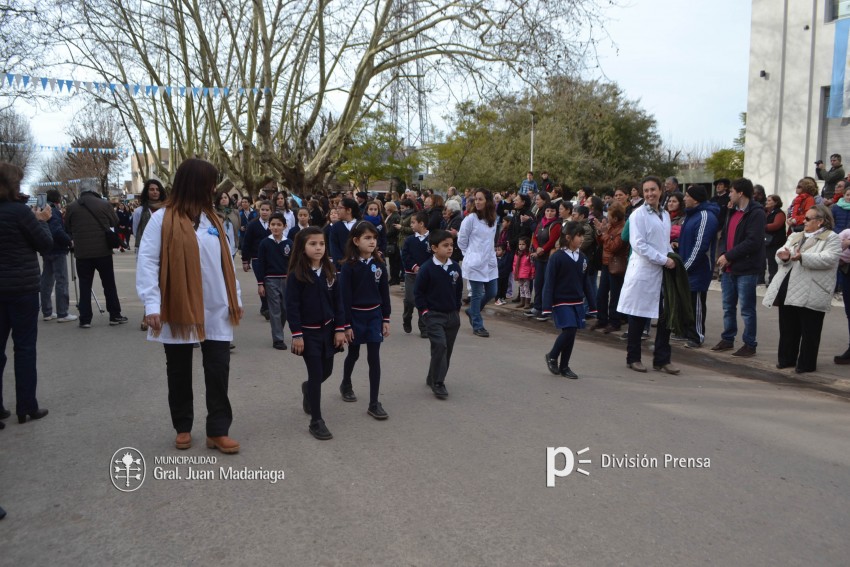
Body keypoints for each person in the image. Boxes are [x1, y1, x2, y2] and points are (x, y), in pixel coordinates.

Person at [136, 158, 244, 454]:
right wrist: (152, 304)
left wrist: (235, 296)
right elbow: (148, 262)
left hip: (216, 307)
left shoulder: (213, 219)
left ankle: (217, 430)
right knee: (179, 371)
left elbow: (227, 264)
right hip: (178, 307)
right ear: (195, 184)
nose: (213, 188)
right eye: (209, 182)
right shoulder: (162, 219)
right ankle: (183, 427)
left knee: (218, 370)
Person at [0, 162, 53, 426]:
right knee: (24, 347)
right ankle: (26, 406)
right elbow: (45, 244)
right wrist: (42, 221)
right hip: (22, 289)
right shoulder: (20, 213)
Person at [285, 227, 347, 440]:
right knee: (315, 373)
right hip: (308, 334)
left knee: (326, 371)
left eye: (321, 244)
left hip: (329, 332)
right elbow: (291, 307)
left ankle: (308, 388)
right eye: (313, 244)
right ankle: (316, 421)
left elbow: (339, 303)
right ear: (302, 248)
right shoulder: (297, 275)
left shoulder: (330, 272)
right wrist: (297, 334)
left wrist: (340, 329)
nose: (318, 248)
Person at [763, 205, 841, 373]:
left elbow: (829, 259)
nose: (803, 221)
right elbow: (782, 251)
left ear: (820, 222)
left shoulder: (831, 238)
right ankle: (786, 359)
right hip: (789, 285)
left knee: (810, 329)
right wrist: (783, 257)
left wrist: (802, 257)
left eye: (807, 219)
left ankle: (806, 364)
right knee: (788, 326)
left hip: (813, 289)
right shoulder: (797, 235)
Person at [617, 176, 679, 375]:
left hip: (661, 272)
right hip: (643, 271)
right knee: (637, 316)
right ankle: (633, 358)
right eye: (646, 191)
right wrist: (663, 259)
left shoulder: (665, 215)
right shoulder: (638, 215)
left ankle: (662, 359)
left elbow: (664, 243)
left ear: (661, 191)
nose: (650, 194)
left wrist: (673, 257)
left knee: (664, 316)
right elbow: (639, 245)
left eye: (653, 189)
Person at [338, 221, 391, 418]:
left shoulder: (379, 264)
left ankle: (374, 403)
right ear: (356, 240)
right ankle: (346, 383)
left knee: (374, 358)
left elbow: (384, 293)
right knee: (353, 354)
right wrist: (346, 325)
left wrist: (386, 318)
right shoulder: (349, 267)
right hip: (355, 316)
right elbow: (344, 298)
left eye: (374, 238)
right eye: (367, 238)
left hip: (374, 316)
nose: (372, 242)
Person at [712, 178, 766, 358]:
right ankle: (728, 338)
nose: (729, 194)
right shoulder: (731, 211)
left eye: (732, 191)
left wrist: (728, 256)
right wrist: (722, 253)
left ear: (741, 193)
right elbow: (724, 235)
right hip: (729, 268)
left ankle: (750, 343)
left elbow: (753, 242)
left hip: (746, 268)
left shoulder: (756, 213)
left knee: (747, 308)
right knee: (728, 306)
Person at [64, 179, 128, 328]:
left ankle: (85, 319)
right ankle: (114, 315)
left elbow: (67, 226)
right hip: (103, 252)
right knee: (109, 284)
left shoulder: (72, 206)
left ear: (81, 190)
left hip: (82, 253)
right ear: (95, 189)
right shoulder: (104, 204)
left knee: (85, 286)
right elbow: (115, 221)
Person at [541, 221, 595, 379]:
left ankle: (564, 366)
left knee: (572, 333)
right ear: (569, 237)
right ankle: (552, 355)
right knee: (570, 329)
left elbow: (586, 283)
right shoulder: (557, 257)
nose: (582, 239)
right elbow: (549, 282)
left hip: (577, 301)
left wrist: (593, 305)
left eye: (583, 236)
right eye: (579, 236)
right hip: (561, 300)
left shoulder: (583, 257)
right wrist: (546, 306)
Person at [414, 230, 463, 399]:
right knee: (440, 345)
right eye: (445, 245)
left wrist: (457, 309)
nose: (450, 248)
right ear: (434, 248)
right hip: (433, 315)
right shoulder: (427, 268)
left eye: (451, 245)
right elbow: (418, 293)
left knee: (445, 350)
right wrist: (424, 312)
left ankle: (433, 376)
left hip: (452, 316)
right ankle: (438, 383)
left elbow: (458, 290)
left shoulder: (455, 267)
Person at [678, 185, 720, 348]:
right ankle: (686, 332)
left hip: (698, 269)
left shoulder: (705, 216)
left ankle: (696, 335)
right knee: (687, 302)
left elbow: (700, 246)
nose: (684, 198)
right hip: (688, 267)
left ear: (695, 199)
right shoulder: (692, 215)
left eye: (687, 196)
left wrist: (685, 267)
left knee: (695, 304)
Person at [458, 189, 498, 338]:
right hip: (475, 262)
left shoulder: (493, 219)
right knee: (476, 294)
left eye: (480, 199)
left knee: (492, 291)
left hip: (489, 261)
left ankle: (473, 311)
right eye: (476, 199)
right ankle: (477, 325)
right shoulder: (470, 219)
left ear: (488, 201)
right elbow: (462, 240)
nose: (477, 202)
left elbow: (491, 240)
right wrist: (470, 254)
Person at [40, 189, 76, 323]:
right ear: (57, 199)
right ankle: (62, 313)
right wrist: (69, 240)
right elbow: (56, 230)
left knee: (47, 281)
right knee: (61, 280)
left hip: (46, 249)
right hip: (57, 249)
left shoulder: (42, 209)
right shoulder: (53, 210)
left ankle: (47, 311)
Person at [257, 212, 292, 350]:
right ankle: (278, 339)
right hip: (271, 279)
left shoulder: (289, 243)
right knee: (275, 309)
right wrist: (261, 283)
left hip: (286, 279)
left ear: (284, 226)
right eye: (273, 225)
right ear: (269, 226)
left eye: (279, 225)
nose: (275, 227)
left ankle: (279, 330)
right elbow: (261, 264)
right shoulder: (265, 243)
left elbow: (293, 264)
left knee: (285, 309)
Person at [592, 201, 627, 333]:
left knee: (615, 295)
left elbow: (613, 247)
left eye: (610, 216)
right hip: (606, 263)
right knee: (601, 294)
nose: (607, 218)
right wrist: (600, 232)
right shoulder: (611, 227)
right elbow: (602, 243)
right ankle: (601, 319)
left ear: (616, 218)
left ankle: (615, 321)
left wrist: (605, 233)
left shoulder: (622, 229)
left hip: (616, 265)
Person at [527, 202, 561, 321]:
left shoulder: (556, 224)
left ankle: (546, 310)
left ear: (556, 212)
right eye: (547, 211)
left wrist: (542, 249)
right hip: (539, 257)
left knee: (548, 284)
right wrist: (537, 248)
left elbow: (552, 240)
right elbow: (535, 237)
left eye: (552, 211)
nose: (549, 213)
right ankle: (537, 307)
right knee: (538, 283)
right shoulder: (541, 222)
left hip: (549, 258)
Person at [401, 211, 431, 336]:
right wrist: (414, 267)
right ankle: (407, 318)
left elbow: (434, 256)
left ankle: (423, 327)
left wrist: (426, 268)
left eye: (413, 222)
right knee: (410, 299)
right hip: (411, 275)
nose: (411, 225)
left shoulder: (432, 239)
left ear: (422, 224)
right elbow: (406, 256)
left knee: (423, 300)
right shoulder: (409, 240)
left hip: (427, 276)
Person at [241, 200, 272, 318]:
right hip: (257, 258)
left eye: (267, 210)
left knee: (270, 282)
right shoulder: (253, 225)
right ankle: (265, 306)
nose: (264, 212)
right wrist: (245, 260)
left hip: (271, 258)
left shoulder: (274, 224)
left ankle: (270, 305)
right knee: (262, 281)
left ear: (271, 211)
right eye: (262, 210)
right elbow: (247, 243)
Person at [328, 198, 359, 267]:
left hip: (361, 265)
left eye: (339, 208)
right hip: (342, 266)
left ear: (349, 210)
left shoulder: (361, 225)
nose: (337, 210)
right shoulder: (335, 227)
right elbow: (334, 248)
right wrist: (341, 264)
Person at [764, 194, 788, 284]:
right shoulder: (766, 212)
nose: (767, 202)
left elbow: (776, 225)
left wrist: (762, 226)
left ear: (775, 202)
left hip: (776, 241)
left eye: (769, 200)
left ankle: (773, 281)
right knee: (769, 262)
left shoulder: (779, 213)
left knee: (773, 263)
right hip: (768, 241)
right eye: (767, 200)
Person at [214, 189, 240, 259]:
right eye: (221, 198)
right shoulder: (215, 213)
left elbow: (238, 227)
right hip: (220, 245)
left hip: (233, 245)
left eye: (225, 197)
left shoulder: (235, 212)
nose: (223, 199)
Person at [513, 236, 534, 310]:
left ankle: (527, 303)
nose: (521, 246)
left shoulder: (529, 254)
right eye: (520, 244)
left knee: (526, 288)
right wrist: (514, 271)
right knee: (521, 288)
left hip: (526, 274)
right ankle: (522, 302)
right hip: (519, 274)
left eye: (523, 244)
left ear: (527, 245)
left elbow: (532, 265)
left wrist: (532, 273)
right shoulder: (517, 254)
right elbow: (514, 264)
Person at [384, 201, 402, 285]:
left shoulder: (394, 217)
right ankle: (393, 278)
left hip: (393, 241)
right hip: (391, 241)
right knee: (392, 261)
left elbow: (392, 230)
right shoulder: (391, 216)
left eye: (386, 208)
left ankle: (395, 278)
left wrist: (385, 234)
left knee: (394, 261)